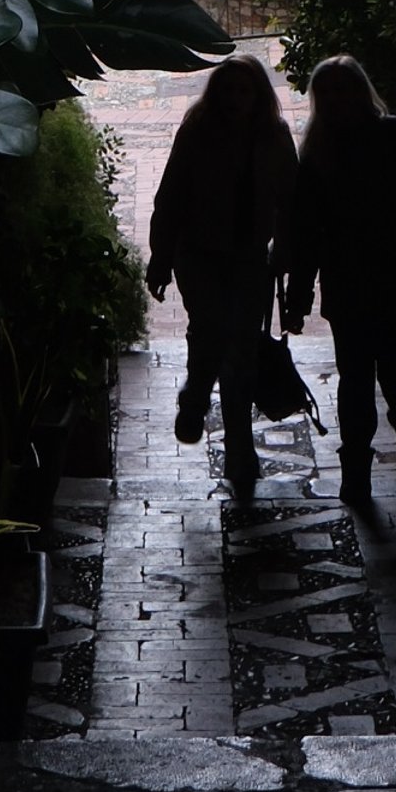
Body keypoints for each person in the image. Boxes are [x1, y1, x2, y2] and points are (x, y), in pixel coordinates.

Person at [281, 54, 396, 504]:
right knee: (360, 378)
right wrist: (298, 296)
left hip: (389, 279)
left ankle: (395, 446)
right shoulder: (324, 151)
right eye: (327, 91)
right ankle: (362, 465)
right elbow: (307, 231)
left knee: (393, 372)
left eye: (342, 88)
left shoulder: (390, 137)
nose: (336, 99)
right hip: (352, 283)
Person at [146, 51, 298, 495]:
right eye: (228, 90)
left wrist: (286, 250)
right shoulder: (197, 133)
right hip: (200, 254)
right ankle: (197, 395)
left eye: (243, 90)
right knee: (212, 330)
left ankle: (238, 447)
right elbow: (171, 196)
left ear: (258, 95)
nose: (235, 99)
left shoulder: (274, 136)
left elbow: (291, 201)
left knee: (243, 349)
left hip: (250, 256)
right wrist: (160, 257)